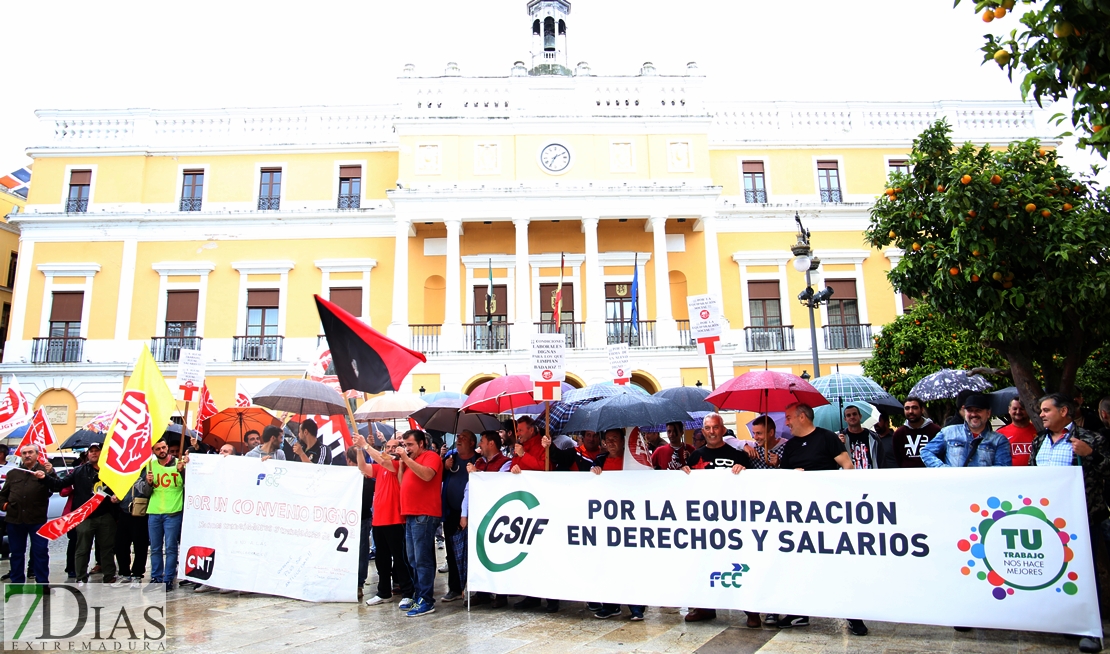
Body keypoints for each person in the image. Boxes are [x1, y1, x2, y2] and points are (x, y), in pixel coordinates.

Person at [778, 403, 864, 636]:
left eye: (788, 417)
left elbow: (847, 466)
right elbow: (784, 478)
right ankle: (799, 611)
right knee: (800, 564)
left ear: (802, 417)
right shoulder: (790, 446)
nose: (786, 422)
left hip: (828, 514)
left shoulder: (827, 438)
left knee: (837, 565)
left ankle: (854, 616)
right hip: (799, 516)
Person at [1032, 393, 1107, 654]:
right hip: (1049, 522)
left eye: (1046, 410)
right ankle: (1064, 620)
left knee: (1086, 574)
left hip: (1083, 519)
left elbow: (1107, 469)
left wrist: (1092, 456)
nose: (1041, 414)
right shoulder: (1039, 440)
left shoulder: (1090, 439)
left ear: (1064, 411)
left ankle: (1091, 631)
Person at [679, 413, 755, 625]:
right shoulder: (695, 457)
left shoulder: (738, 455)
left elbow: (753, 485)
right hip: (706, 522)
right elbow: (687, 488)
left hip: (734, 521)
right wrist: (683, 472)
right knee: (705, 562)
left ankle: (751, 610)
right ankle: (704, 607)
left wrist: (745, 472)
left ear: (723, 430)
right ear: (703, 431)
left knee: (740, 563)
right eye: (707, 428)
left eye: (715, 427)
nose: (711, 432)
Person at [589, 428, 647, 621]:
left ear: (623, 441)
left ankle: (636, 606)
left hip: (630, 520)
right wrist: (593, 473)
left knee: (631, 564)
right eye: (607, 439)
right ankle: (611, 605)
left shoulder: (634, 462)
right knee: (607, 564)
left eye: (614, 439)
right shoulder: (599, 461)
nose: (611, 442)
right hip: (607, 521)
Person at [356, 433, 415, 610]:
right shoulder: (380, 466)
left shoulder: (398, 464)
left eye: (393, 447)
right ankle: (383, 592)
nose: (389, 449)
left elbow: (383, 461)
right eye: (387, 446)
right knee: (381, 560)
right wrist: (359, 449)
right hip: (379, 519)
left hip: (395, 518)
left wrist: (365, 445)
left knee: (400, 558)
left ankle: (407, 592)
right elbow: (363, 467)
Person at [49, 442, 119, 584]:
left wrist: (116, 496)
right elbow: (60, 484)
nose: (94, 453)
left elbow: (119, 488)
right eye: (91, 451)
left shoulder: (110, 471)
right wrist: (48, 475)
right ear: (87, 454)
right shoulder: (78, 471)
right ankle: (80, 576)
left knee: (107, 548)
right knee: (82, 548)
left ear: (102, 453)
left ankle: (109, 575)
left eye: (97, 451)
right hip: (85, 516)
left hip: (106, 515)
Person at [397, 429, 443, 617]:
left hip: (424, 513)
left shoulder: (431, 456)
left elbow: (427, 476)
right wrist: (402, 465)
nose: (406, 448)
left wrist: (407, 460)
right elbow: (402, 483)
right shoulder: (409, 461)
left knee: (422, 558)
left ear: (421, 443)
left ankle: (426, 599)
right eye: (405, 445)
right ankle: (419, 596)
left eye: (410, 445)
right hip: (410, 513)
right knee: (413, 558)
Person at [466, 430, 512, 607]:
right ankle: (482, 592)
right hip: (479, 514)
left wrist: (477, 473)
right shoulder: (478, 461)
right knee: (479, 553)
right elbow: (469, 488)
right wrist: (465, 512)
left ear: (491, 443)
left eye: (482, 441)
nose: (480, 445)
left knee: (498, 554)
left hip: (498, 516)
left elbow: (499, 483)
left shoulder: (506, 463)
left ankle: (501, 595)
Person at [0, 445, 57, 583]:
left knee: (40, 552)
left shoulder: (45, 471)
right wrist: (5, 506)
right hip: (15, 519)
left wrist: (51, 473)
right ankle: (17, 582)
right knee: (17, 553)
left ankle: (42, 582)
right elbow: (3, 495)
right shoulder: (14, 473)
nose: (27, 455)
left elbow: (56, 487)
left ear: (37, 455)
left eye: (30, 452)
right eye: (24, 453)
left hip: (37, 519)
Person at [137, 439, 188, 591]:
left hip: (173, 511)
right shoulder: (150, 466)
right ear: (154, 451)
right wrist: (149, 483)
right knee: (155, 548)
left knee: (171, 547)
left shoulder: (180, 463)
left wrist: (183, 471)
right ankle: (156, 578)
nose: (162, 450)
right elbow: (145, 493)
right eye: (158, 448)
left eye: (164, 447)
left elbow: (190, 485)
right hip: (154, 511)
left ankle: (168, 579)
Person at [921, 394, 1012, 468]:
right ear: (965, 412)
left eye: (978, 410)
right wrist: (943, 469)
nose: (973, 414)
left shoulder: (999, 440)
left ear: (988, 413)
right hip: (954, 487)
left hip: (984, 488)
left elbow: (1003, 468)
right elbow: (926, 452)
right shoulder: (948, 432)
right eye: (970, 410)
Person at [440, 430, 477, 603]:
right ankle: (454, 587)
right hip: (451, 512)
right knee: (451, 550)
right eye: (458, 438)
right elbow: (436, 477)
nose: (459, 440)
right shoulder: (450, 457)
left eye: (463, 438)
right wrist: (444, 466)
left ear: (472, 443)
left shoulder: (477, 460)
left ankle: (471, 586)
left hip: (471, 514)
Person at [345, 444, 375, 601]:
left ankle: (358, 583)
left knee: (362, 552)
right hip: (353, 519)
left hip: (362, 519)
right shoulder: (367, 478)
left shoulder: (368, 479)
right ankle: (357, 584)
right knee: (360, 552)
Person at [111, 478, 150, 589]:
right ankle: (124, 573)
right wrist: (117, 497)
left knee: (140, 545)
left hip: (140, 511)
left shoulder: (146, 470)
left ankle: (137, 574)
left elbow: (147, 491)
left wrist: (136, 479)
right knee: (121, 544)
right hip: (124, 511)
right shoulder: (124, 472)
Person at [838, 404, 895, 469]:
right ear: (845, 419)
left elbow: (881, 460)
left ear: (860, 416)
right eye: (848, 415)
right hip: (850, 477)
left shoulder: (873, 437)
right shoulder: (840, 438)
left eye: (854, 414)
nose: (852, 417)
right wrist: (839, 445)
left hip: (870, 476)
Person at [891, 397, 940, 468]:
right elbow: (897, 458)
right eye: (907, 408)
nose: (910, 411)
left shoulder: (935, 430)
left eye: (914, 408)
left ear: (922, 409)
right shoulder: (899, 433)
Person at [998, 397, 1037, 466]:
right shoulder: (1000, 434)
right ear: (1009, 410)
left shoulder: (1039, 431)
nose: (1018, 412)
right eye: (1015, 409)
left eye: (1022, 409)